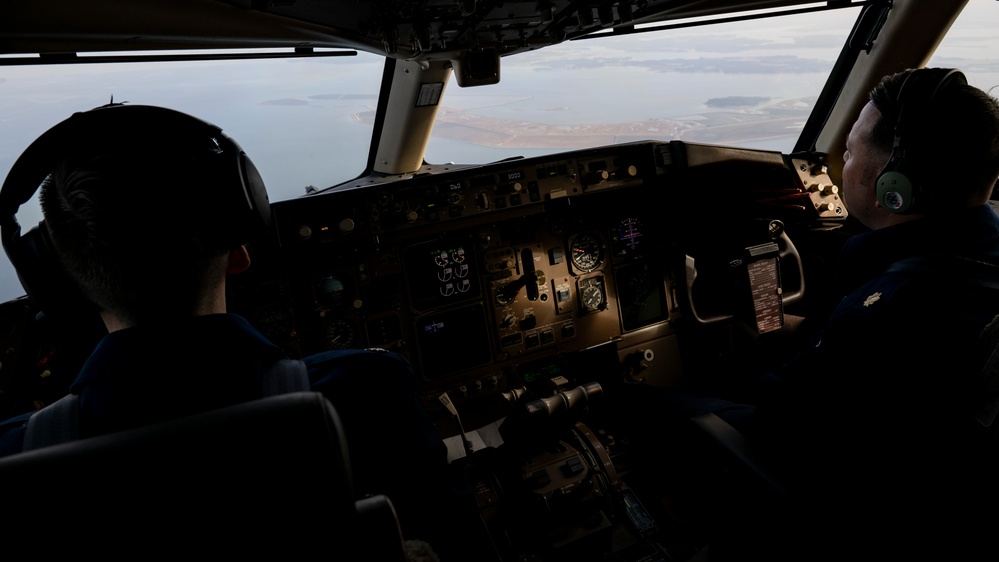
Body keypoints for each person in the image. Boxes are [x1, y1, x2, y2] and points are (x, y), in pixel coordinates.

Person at [0, 103, 485, 560]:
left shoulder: (17, 455)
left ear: (63, 286)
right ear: (240, 250)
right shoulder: (363, 390)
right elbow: (458, 544)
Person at [620, 68, 999, 560]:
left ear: (895, 183)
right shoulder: (956, 268)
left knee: (637, 410)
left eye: (851, 148)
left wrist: (642, 399)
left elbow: (771, 427)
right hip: (941, 476)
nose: (841, 158)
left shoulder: (889, 317)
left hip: (854, 504)